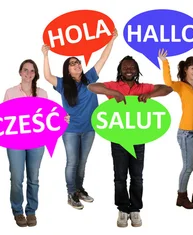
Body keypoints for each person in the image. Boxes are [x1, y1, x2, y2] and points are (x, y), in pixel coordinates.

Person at [87, 56, 173, 227]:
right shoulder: (113, 85)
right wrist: (114, 93)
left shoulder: (142, 87)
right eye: (125, 67)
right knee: (119, 176)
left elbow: (167, 89)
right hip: (118, 138)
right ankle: (122, 208)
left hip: (139, 138)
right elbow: (91, 86)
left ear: (136, 70)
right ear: (120, 70)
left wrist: (149, 94)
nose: (129, 70)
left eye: (132, 67)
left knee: (137, 176)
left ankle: (135, 209)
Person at [0, 60, 68, 227]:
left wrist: (62, 119)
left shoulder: (42, 93)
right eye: (26, 70)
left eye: (32, 71)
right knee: (17, 178)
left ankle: (31, 211)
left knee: (33, 178)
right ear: (20, 72)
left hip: (36, 142)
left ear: (35, 74)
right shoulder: (11, 92)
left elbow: (48, 118)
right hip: (15, 143)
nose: (29, 74)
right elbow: (3, 118)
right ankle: (18, 211)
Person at [41, 29, 117, 210]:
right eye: (72, 64)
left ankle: (79, 189)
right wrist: (45, 55)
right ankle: (71, 193)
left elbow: (102, 59)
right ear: (67, 69)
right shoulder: (62, 84)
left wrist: (112, 39)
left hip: (90, 129)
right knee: (72, 162)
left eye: (78, 62)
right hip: (70, 131)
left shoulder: (89, 78)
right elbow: (47, 76)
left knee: (82, 162)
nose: (77, 65)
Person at [158, 48, 193, 209]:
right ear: (186, 69)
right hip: (186, 133)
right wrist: (164, 62)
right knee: (188, 166)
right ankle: (181, 197)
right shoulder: (181, 86)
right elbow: (168, 82)